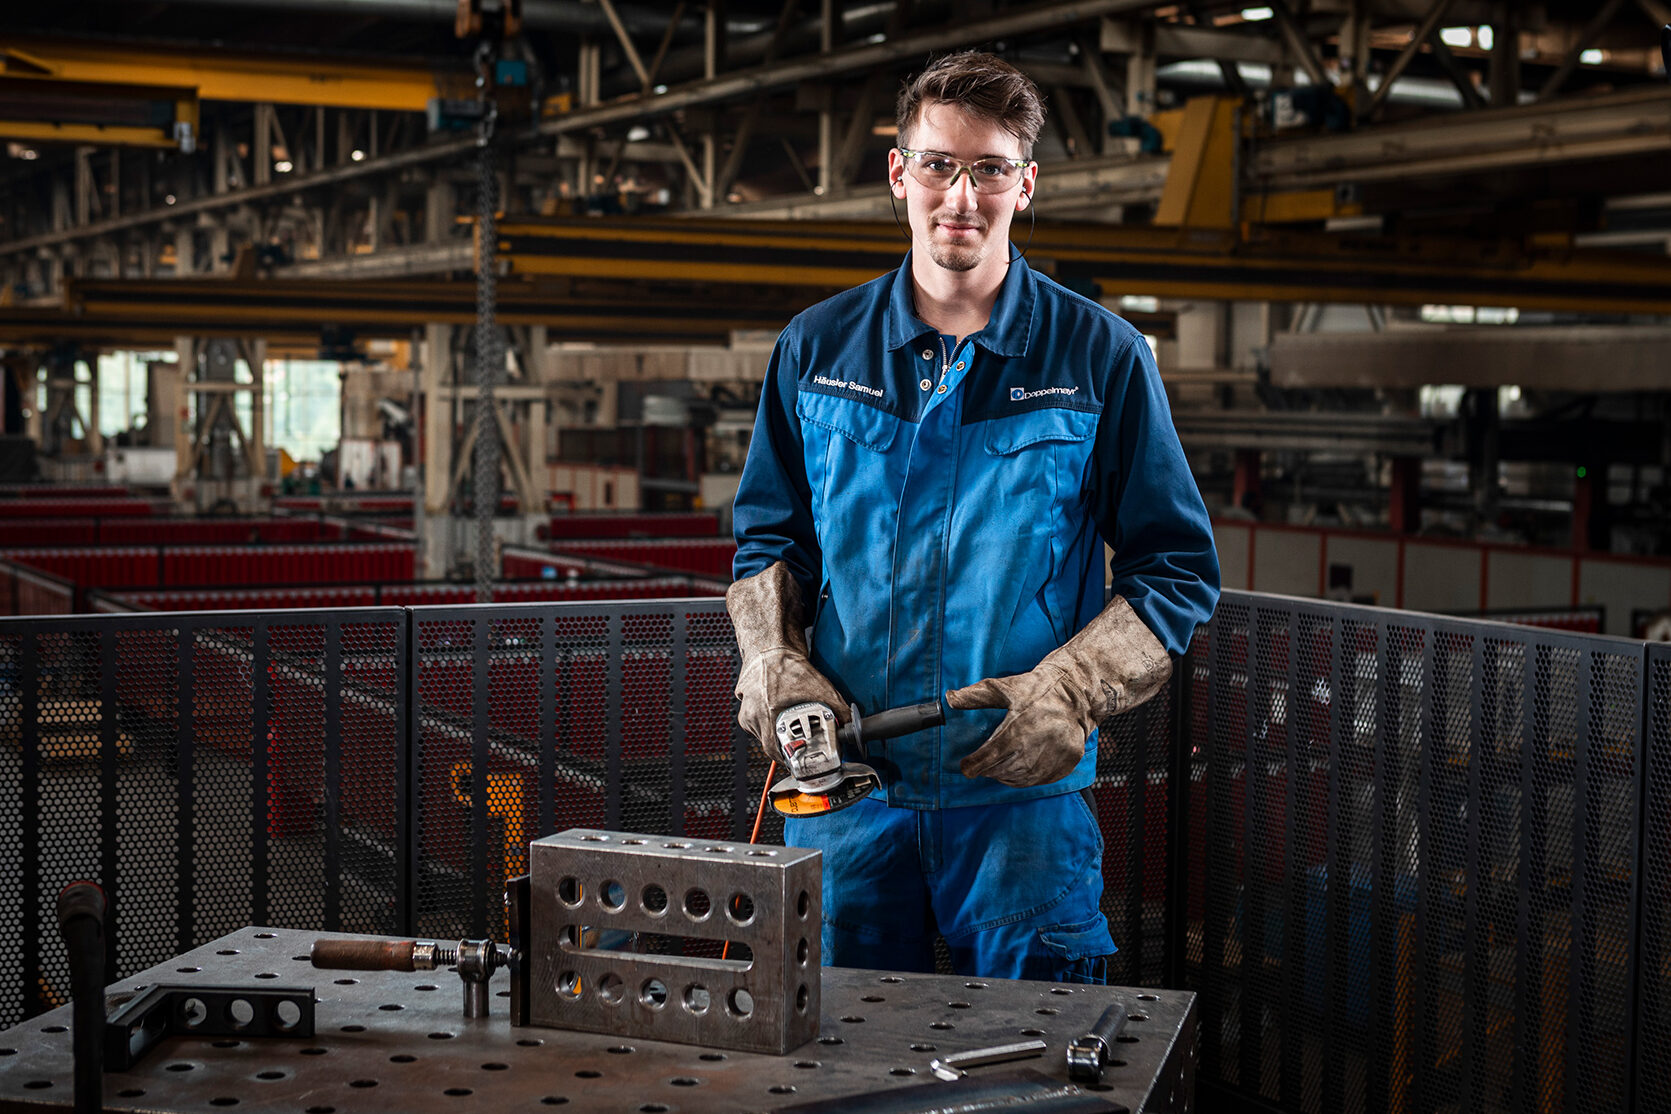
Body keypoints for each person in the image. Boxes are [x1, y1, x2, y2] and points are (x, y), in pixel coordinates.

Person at [727, 51, 1219, 983]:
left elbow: (1175, 572)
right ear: (898, 174)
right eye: (938, 164)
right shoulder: (816, 348)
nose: (961, 195)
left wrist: (1072, 690)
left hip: (1019, 803)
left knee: (1040, 1059)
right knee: (838, 1056)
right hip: (846, 793)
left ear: (1023, 185)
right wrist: (770, 658)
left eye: (989, 168)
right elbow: (769, 543)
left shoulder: (1099, 356)